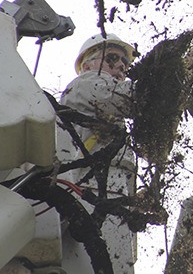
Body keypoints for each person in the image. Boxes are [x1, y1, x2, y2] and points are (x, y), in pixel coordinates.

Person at [56, 33, 138, 273]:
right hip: (92, 190)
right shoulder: (87, 83)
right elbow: (129, 99)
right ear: (87, 65)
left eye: (125, 63)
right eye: (112, 58)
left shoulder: (112, 117)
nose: (121, 65)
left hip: (108, 192)